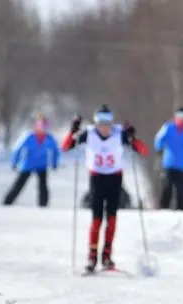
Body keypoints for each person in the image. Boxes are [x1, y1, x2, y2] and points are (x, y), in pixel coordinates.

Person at [60, 105, 149, 272]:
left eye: (107, 124)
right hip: (97, 178)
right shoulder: (89, 133)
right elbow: (65, 147)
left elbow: (143, 150)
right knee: (96, 218)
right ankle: (92, 257)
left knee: (112, 218)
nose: (105, 128)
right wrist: (73, 130)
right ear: (96, 124)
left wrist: (132, 137)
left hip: (115, 179)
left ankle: (107, 255)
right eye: (101, 124)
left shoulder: (119, 133)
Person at [3, 114, 60, 207]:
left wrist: (54, 163)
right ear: (37, 126)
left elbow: (55, 151)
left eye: (45, 127)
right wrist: (14, 162)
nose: (43, 129)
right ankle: (7, 202)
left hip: (42, 165)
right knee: (19, 184)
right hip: (28, 165)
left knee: (43, 185)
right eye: (41, 126)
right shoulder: (29, 136)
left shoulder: (49, 138)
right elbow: (18, 149)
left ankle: (43, 205)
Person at [154, 106, 183, 210]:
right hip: (169, 163)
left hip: (182, 164)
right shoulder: (168, 127)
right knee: (167, 186)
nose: (182, 119)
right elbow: (159, 138)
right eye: (179, 116)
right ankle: (163, 207)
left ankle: (182, 209)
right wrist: (159, 148)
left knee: (181, 189)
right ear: (175, 117)